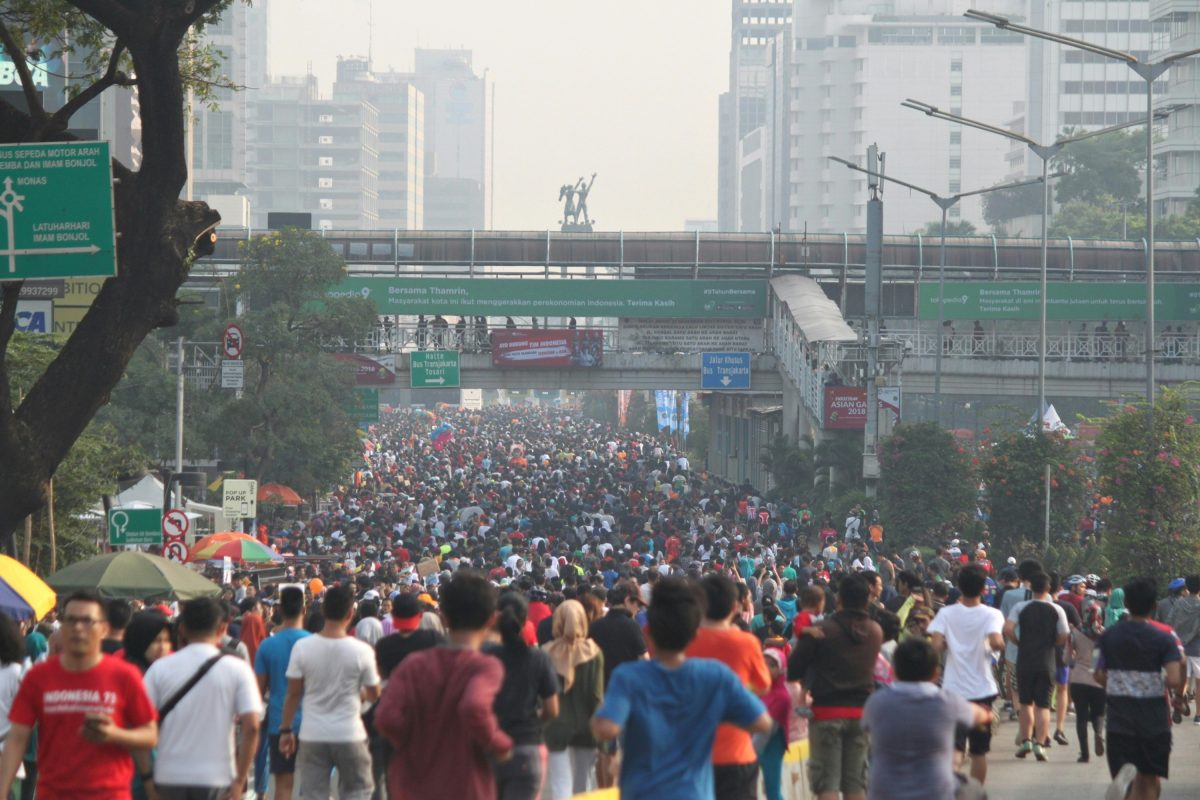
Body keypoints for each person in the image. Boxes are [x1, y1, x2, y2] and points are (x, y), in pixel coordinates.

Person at [590, 578, 772, 799]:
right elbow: (762, 721)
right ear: (693, 633)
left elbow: (605, 728)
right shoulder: (716, 675)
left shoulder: (628, 677)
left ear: (649, 634)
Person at [0, 590, 158, 799]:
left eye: (87, 621)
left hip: (110, 793)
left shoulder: (125, 675)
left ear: (103, 628)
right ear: (62, 626)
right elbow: (17, 738)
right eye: (71, 620)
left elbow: (150, 735)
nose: (78, 628)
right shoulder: (38, 677)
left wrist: (115, 734)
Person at [374, 571, 514, 800]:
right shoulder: (487, 667)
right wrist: (500, 744)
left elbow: (385, 718)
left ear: (444, 617)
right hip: (468, 784)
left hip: (413, 783)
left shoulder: (413, 665)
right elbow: (474, 707)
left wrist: (412, 743)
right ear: (491, 619)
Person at [143, 596, 262, 800]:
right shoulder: (237, 668)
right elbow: (252, 727)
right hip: (217, 777)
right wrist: (240, 781)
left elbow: (142, 724)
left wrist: (147, 778)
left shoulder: (159, 669)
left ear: (182, 629)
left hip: (169, 775)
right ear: (222, 628)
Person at [279, 584, 381, 800]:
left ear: (323, 610)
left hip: (312, 734)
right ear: (351, 614)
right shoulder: (362, 651)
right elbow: (374, 694)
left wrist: (286, 730)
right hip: (350, 733)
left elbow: (293, 694)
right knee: (357, 791)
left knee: (313, 794)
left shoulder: (303, 647)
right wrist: (360, 695)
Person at [788, 574, 883, 800]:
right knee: (855, 784)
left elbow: (794, 669)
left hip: (826, 713)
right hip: (862, 714)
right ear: (868, 599)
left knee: (827, 784)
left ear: (838, 598)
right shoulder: (875, 631)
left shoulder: (822, 630)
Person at [861, 637, 991, 800]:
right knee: (974, 788)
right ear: (936, 673)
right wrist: (986, 714)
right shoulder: (947, 702)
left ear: (893, 671)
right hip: (935, 793)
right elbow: (979, 714)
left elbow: (867, 727)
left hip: (885, 792)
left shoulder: (877, 702)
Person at [1096, 577, 1186, 800]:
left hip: (1119, 720)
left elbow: (1097, 673)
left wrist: (1120, 683)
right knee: (1149, 780)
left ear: (1126, 602)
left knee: (1128, 777)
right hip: (1153, 721)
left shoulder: (1107, 636)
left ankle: (1126, 784)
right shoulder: (1164, 636)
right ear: (1154, 605)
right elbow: (1175, 678)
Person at [686, 574, 770, 800]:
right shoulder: (746, 643)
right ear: (735, 606)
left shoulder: (682, 642)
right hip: (737, 752)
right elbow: (762, 686)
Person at [928, 564, 1005, 785]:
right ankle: (975, 793)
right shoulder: (992, 614)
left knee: (955, 747)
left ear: (959, 587)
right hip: (983, 692)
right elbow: (996, 641)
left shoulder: (946, 613)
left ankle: (952, 788)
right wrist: (995, 644)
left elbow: (935, 646)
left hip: (953, 690)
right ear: (984, 589)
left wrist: (949, 644)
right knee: (979, 752)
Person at [486, 591, 561, 800]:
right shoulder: (538, 658)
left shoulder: (485, 656)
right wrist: (532, 720)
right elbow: (552, 709)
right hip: (527, 746)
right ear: (525, 620)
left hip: (490, 746)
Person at [587, 583, 648, 788]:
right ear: (626, 601)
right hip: (629, 699)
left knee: (606, 751)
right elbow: (645, 661)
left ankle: (606, 791)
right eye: (636, 604)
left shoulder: (595, 627)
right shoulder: (632, 627)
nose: (638, 609)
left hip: (602, 696)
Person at [542, 599, 604, 800]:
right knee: (583, 784)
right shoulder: (594, 653)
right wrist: (604, 741)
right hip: (587, 727)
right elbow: (597, 697)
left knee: (561, 783)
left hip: (555, 727)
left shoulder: (546, 653)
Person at [1004, 572, 1069, 761]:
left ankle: (1026, 740)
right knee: (1043, 706)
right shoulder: (1056, 610)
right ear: (1049, 589)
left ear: (1030, 588)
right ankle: (1040, 744)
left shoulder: (1020, 607)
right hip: (1047, 662)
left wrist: (1019, 642)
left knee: (1026, 704)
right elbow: (1064, 635)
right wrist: (1052, 643)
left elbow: (1008, 629)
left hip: (1025, 661)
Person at [254, 586, 310, 800]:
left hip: (279, 723)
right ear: (304, 610)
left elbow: (257, 692)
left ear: (279, 610)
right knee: (311, 786)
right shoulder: (313, 643)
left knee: (283, 786)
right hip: (311, 723)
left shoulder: (267, 646)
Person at [1068, 596, 1106, 763]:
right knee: (1098, 713)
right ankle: (1098, 733)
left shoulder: (1075, 633)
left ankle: (1084, 754)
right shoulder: (1105, 634)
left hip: (1078, 680)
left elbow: (1066, 658)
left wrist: (1075, 661)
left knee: (1081, 717)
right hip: (1099, 680)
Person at [1166, 573, 1200, 724]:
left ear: (1187, 587)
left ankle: (1178, 704)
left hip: (1180, 648)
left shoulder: (1179, 604)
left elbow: (1169, 622)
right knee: (1199, 684)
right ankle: (1198, 715)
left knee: (1182, 681)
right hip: (1198, 649)